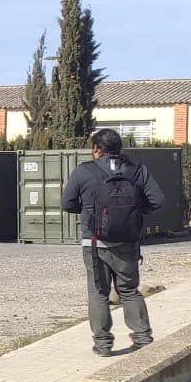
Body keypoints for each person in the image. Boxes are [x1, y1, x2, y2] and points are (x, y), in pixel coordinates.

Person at [61, 128, 164, 357]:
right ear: (120, 148)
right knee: (129, 290)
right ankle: (142, 337)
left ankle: (103, 344)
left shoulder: (84, 171)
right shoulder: (138, 170)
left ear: (96, 149)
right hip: (127, 241)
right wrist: (135, 213)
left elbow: (67, 203)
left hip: (94, 242)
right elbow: (157, 200)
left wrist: (90, 211)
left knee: (99, 292)